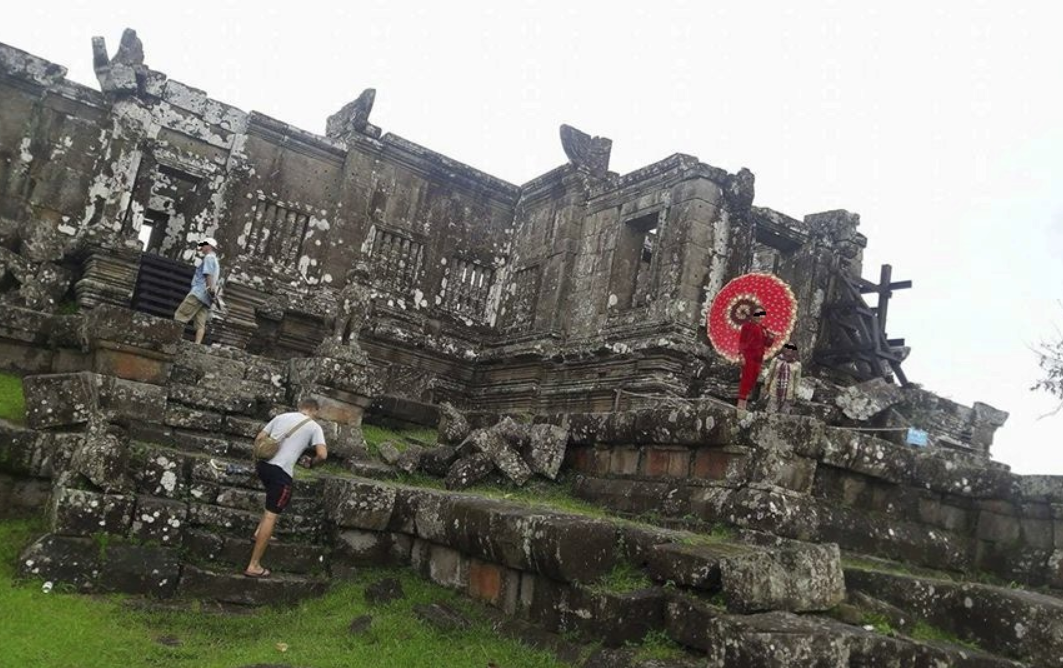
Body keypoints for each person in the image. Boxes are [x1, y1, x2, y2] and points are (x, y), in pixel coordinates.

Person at [243, 397, 327, 578]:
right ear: (315, 410)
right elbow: (322, 454)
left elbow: (259, 438)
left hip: (263, 467)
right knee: (271, 515)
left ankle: (259, 533)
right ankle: (254, 565)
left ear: (300, 407)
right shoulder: (314, 427)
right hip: (281, 473)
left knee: (270, 503)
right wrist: (312, 463)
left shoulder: (281, 417)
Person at [173, 237, 221, 344]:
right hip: (207, 297)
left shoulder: (208, 258)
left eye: (204, 245)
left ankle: (174, 339)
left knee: (180, 315)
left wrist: (209, 288)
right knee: (200, 323)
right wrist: (212, 294)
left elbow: (208, 274)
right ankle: (197, 344)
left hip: (199, 292)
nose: (202, 247)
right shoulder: (216, 261)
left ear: (209, 246)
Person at [737, 308, 775, 412]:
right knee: (746, 379)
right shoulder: (747, 326)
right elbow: (742, 342)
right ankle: (741, 403)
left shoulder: (763, 328)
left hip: (758, 359)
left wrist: (771, 337)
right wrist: (741, 356)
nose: (760, 317)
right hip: (749, 356)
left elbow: (767, 344)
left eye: (762, 315)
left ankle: (746, 401)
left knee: (753, 380)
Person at [763, 343, 802, 414]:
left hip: (788, 393)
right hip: (774, 390)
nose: (789, 349)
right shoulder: (776, 360)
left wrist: (795, 393)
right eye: (787, 347)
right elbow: (770, 374)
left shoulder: (797, 365)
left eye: (792, 348)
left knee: (784, 415)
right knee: (770, 413)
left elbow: (797, 380)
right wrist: (766, 386)